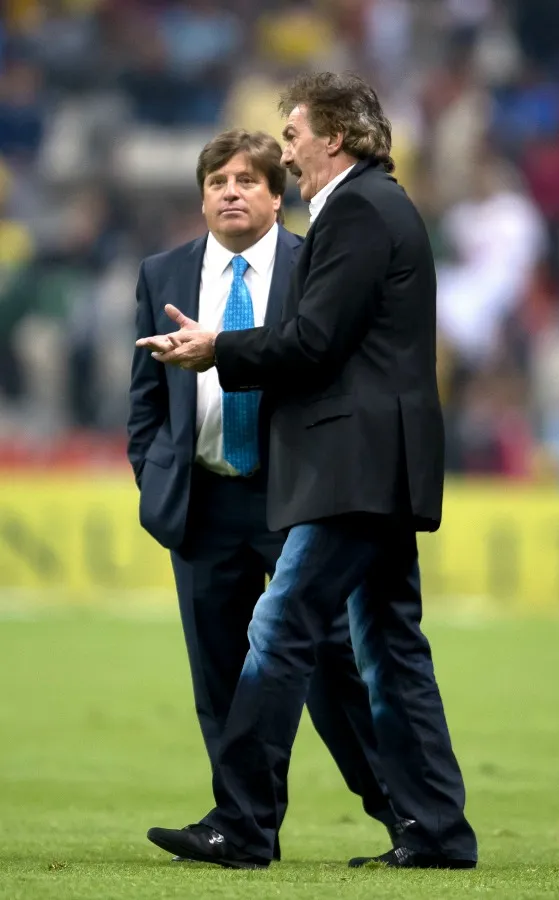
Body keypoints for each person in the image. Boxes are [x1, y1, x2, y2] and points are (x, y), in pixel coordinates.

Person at [139, 76, 478, 870]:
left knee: (280, 627)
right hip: (376, 462)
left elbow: (315, 340)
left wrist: (218, 349)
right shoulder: (380, 206)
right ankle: (435, 830)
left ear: (335, 137)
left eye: (292, 134)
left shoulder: (359, 208)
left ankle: (243, 823)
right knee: (390, 645)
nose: (285, 148)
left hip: (352, 464)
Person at [127, 128, 400, 862]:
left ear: (277, 197)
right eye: (217, 181)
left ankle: (402, 810)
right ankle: (242, 828)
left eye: (248, 179)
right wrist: (156, 479)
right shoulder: (163, 274)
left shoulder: (317, 267)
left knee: (333, 664)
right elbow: (146, 403)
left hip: (295, 498)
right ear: (202, 197)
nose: (231, 191)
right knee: (219, 673)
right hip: (204, 500)